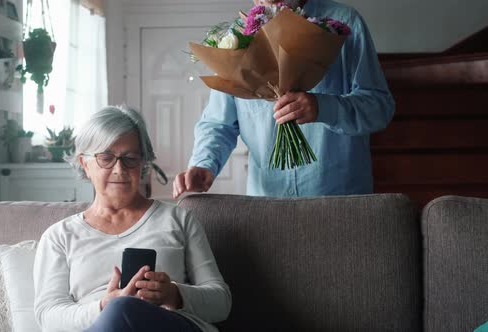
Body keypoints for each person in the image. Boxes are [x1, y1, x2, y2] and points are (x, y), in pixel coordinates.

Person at [34, 106, 231, 332]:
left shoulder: (179, 220)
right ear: (84, 164)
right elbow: (48, 317)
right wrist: (104, 306)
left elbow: (221, 302)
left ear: (143, 163)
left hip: (169, 325)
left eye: (130, 158)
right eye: (106, 158)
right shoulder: (59, 236)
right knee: (119, 309)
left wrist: (174, 294)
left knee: (124, 309)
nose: (119, 169)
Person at [173, 0, 395, 199]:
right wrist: (204, 163)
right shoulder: (233, 40)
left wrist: (323, 107)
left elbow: (379, 108)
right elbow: (217, 124)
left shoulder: (346, 23)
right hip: (267, 205)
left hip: (340, 201)